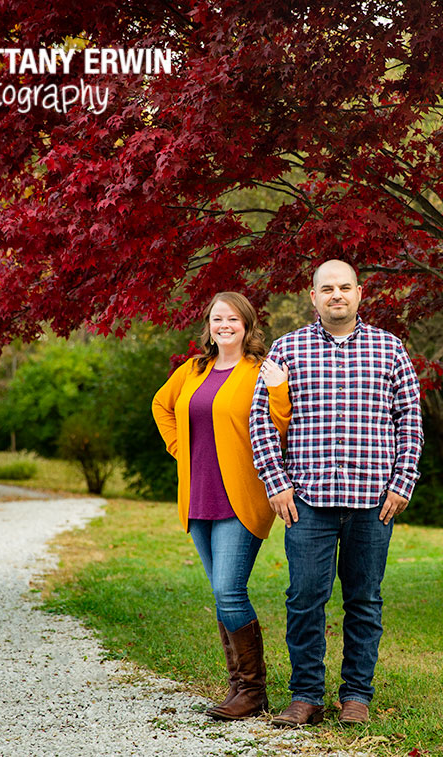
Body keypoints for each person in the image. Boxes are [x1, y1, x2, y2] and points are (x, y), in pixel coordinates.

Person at [249, 260, 423, 727]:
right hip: (307, 499)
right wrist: (276, 482)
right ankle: (305, 695)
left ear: (360, 293)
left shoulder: (390, 349)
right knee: (304, 597)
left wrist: (403, 482)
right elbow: (261, 420)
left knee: (364, 600)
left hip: (374, 503)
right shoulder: (287, 350)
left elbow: (410, 420)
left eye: (345, 287)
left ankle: (356, 698)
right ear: (313, 296)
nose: (337, 295)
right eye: (327, 289)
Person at [152, 291, 290, 721]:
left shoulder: (259, 371)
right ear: (208, 326)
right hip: (198, 497)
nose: (224, 325)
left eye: (232, 318)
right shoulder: (193, 369)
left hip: (240, 497)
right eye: (217, 319)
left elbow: (282, 425)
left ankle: (252, 691)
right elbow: (161, 405)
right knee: (220, 594)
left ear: (247, 325)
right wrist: (180, 448)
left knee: (229, 593)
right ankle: (240, 688)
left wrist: (280, 389)